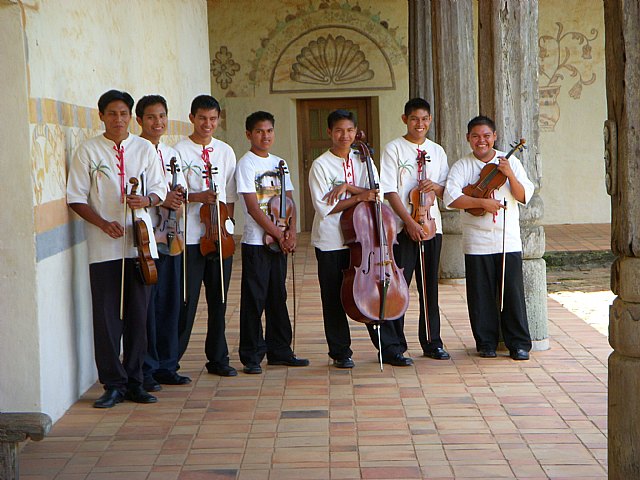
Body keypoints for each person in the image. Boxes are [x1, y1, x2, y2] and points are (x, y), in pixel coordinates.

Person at [67, 89, 167, 408]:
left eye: (124, 113)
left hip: (139, 243)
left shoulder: (144, 149)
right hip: (103, 246)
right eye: (112, 113)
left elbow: (160, 189)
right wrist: (101, 222)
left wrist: (146, 200)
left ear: (130, 116)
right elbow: (76, 197)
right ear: (101, 116)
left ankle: (136, 381)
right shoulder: (88, 150)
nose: (119, 119)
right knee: (107, 316)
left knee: (139, 314)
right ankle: (112, 383)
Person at [309, 109, 412, 368]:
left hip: (366, 240)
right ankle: (340, 352)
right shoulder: (320, 165)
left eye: (350, 130)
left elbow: (377, 193)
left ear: (356, 132)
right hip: (331, 240)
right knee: (333, 296)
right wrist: (357, 197)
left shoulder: (362, 158)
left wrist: (348, 188)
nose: (345, 135)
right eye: (339, 130)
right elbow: (325, 207)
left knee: (375, 292)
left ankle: (389, 348)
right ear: (329, 133)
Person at [444, 115, 533, 360]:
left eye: (486, 136)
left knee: (512, 293)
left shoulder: (509, 162)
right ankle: (485, 342)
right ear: (468, 139)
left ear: (494, 137)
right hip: (476, 241)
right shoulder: (462, 165)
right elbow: (451, 198)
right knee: (480, 294)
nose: (481, 141)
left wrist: (509, 174)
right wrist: (482, 202)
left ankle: (519, 344)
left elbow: (524, 196)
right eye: (476, 136)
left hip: (508, 238)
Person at [235, 111, 310, 374]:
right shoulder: (246, 164)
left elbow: (289, 200)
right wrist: (279, 234)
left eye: (269, 131)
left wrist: (291, 232)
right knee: (255, 298)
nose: (265, 136)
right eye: (259, 131)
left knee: (278, 295)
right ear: (248, 134)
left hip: (279, 240)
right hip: (257, 241)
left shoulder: (281, 163)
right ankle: (251, 355)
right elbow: (254, 208)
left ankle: (280, 350)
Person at [379, 98, 451, 360]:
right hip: (402, 228)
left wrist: (435, 187)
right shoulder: (394, 149)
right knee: (399, 287)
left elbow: (446, 191)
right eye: (414, 119)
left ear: (430, 120)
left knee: (429, 288)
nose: (419, 124)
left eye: (424, 119)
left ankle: (433, 343)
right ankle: (393, 347)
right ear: (404, 119)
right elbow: (389, 191)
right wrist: (409, 223)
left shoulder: (437, 151)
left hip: (432, 226)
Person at [174, 95, 238, 376]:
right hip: (190, 236)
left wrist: (226, 226)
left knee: (219, 300)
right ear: (192, 118)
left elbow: (231, 195)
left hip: (219, 236)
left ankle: (218, 358)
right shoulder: (178, 151)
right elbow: (173, 192)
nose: (208, 124)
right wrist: (197, 197)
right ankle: (171, 361)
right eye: (202, 119)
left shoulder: (225, 151)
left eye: (213, 119)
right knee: (186, 302)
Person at [135, 95, 191, 391]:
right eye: (151, 117)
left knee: (171, 300)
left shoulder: (171, 152)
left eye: (162, 116)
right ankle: (149, 367)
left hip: (172, 234)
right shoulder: (136, 150)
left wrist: (178, 197)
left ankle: (169, 364)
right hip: (146, 237)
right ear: (139, 120)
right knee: (149, 304)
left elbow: (180, 188)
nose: (158, 123)